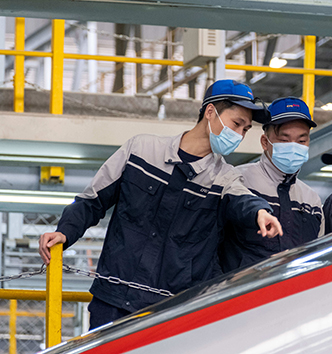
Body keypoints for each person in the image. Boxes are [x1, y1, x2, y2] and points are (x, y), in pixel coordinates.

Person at [38, 79, 283, 329]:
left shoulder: (225, 177)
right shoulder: (141, 150)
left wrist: (260, 212)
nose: (240, 135)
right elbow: (92, 200)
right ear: (210, 112)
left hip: (173, 311)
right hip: (114, 301)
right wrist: (64, 232)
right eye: (236, 124)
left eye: (245, 129)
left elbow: (243, 199)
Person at [219, 97, 323, 273]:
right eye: (284, 140)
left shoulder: (311, 200)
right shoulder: (237, 181)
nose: (294, 147)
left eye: (301, 141)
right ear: (265, 142)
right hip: (240, 295)